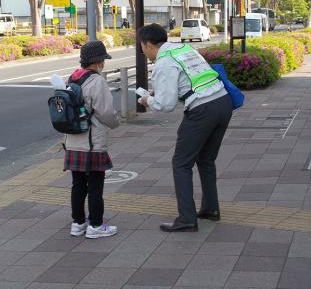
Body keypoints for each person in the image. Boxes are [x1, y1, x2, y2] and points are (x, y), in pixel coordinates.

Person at [137, 23, 233, 232]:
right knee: (206, 159)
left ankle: (187, 219)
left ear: (148, 44)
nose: (142, 51)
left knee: (181, 163)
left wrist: (147, 101)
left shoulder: (163, 62)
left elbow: (166, 105)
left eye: (141, 47)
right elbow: (187, 81)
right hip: (223, 102)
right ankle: (210, 208)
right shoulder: (184, 49)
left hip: (202, 110)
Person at [64, 40, 119, 239]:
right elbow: (106, 113)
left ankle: (77, 223)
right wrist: (116, 122)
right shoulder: (96, 81)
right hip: (92, 143)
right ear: (98, 61)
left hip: (72, 141)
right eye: (103, 60)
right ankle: (96, 225)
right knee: (95, 186)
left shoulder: (72, 79)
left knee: (78, 185)